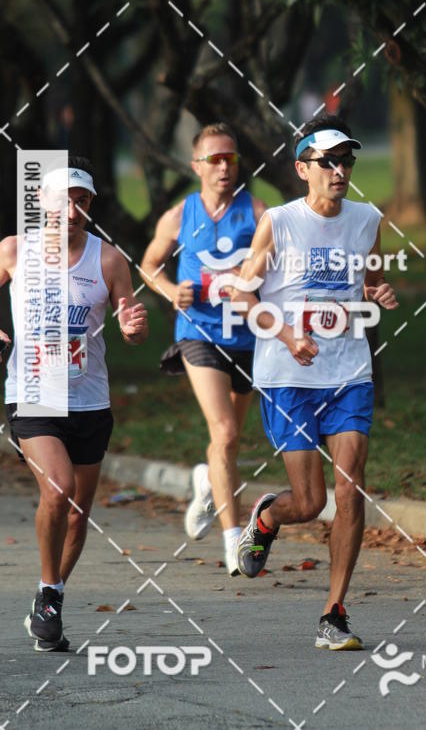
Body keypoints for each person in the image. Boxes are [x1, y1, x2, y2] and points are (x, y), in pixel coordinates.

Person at [231, 115, 398, 650]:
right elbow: (242, 295)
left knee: (350, 488)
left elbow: (370, 280)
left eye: (346, 160)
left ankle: (334, 612)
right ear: (303, 168)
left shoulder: (367, 219)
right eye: (328, 161)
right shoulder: (279, 223)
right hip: (289, 376)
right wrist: (285, 335)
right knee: (308, 502)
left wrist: (378, 293)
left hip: (348, 371)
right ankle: (268, 516)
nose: (340, 170)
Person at [0, 156, 148, 652]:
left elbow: (130, 323)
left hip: (89, 400)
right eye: (64, 200)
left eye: (82, 202)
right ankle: (47, 590)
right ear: (41, 201)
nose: (73, 211)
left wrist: (134, 328)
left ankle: (52, 599)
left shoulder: (109, 260)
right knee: (59, 488)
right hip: (33, 395)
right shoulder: (14, 251)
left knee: (79, 513)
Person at [140, 123, 267, 575]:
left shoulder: (258, 213)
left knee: (227, 443)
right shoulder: (179, 215)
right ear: (197, 166)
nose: (224, 167)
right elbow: (149, 265)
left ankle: (207, 482)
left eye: (230, 158)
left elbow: (278, 267)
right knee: (225, 432)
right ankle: (235, 543)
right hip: (199, 334)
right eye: (214, 159)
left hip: (248, 338)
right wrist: (170, 290)